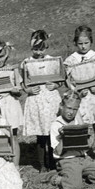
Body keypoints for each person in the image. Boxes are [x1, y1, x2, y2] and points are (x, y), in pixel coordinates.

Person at [64, 25, 95, 164]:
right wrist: (77, 91)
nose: (83, 46)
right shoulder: (70, 60)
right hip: (82, 100)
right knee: (83, 129)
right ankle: (85, 156)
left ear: (91, 42)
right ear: (75, 43)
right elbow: (67, 81)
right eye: (80, 43)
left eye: (86, 43)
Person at [43, 90, 95, 189]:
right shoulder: (56, 125)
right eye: (69, 108)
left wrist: (88, 136)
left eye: (75, 109)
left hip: (82, 159)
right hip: (67, 160)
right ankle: (55, 177)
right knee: (74, 187)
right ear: (61, 106)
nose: (71, 112)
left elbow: (87, 146)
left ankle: (76, 175)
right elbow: (57, 152)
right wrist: (64, 136)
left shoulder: (78, 122)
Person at [21, 30, 62, 172]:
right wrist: (28, 90)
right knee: (41, 135)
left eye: (42, 48)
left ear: (46, 46)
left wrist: (56, 85)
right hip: (36, 101)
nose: (39, 52)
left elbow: (60, 79)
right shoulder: (26, 63)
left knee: (52, 132)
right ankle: (42, 165)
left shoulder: (52, 61)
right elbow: (22, 82)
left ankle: (53, 162)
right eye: (36, 49)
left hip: (51, 100)